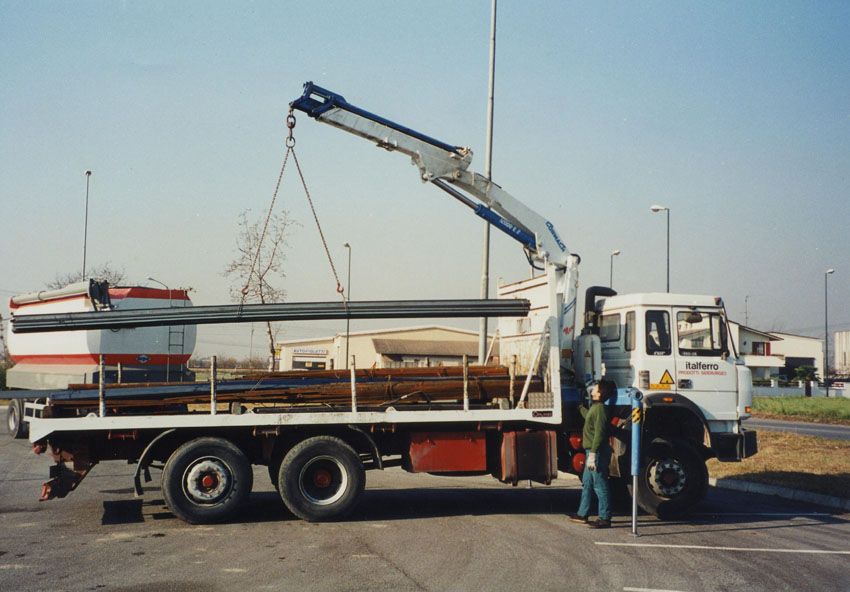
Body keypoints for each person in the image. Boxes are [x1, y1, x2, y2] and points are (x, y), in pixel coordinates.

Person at [568, 379, 616, 528]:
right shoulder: (596, 408)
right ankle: (582, 514)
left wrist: (593, 454)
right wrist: (580, 407)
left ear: (600, 393)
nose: (592, 389)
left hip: (597, 451)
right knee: (587, 483)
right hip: (591, 451)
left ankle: (605, 518)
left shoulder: (601, 409)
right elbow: (589, 417)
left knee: (599, 483)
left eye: (595, 388)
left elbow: (599, 434)